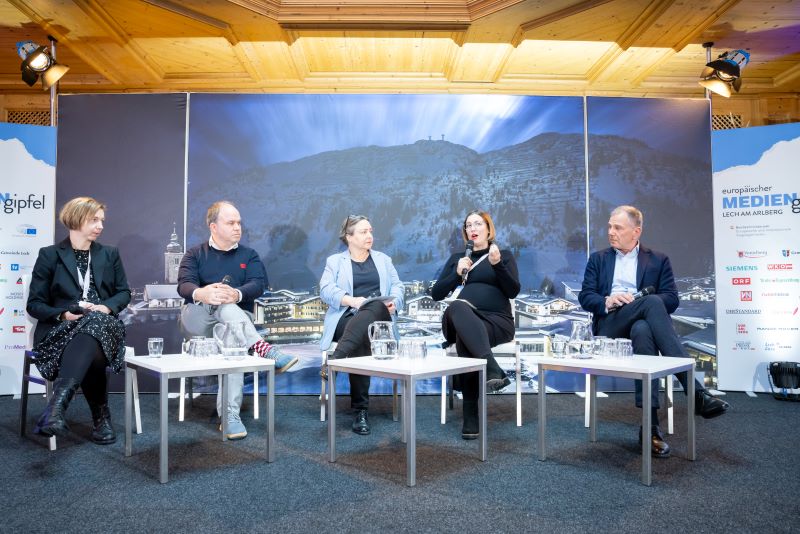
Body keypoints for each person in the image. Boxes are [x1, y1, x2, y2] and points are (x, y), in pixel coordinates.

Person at [578, 205, 729, 458]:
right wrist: (608, 300)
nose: (611, 232)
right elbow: (586, 297)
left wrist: (643, 302)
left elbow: (671, 299)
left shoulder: (658, 259)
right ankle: (696, 393)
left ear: (636, 231)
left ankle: (650, 428)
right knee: (651, 302)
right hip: (610, 325)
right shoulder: (598, 259)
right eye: (609, 227)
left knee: (644, 328)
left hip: (640, 324)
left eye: (618, 227)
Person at [178, 200, 298, 440]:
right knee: (221, 300)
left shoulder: (249, 255)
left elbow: (258, 284)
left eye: (239, 223)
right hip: (198, 321)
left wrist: (236, 294)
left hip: (234, 324)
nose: (237, 227)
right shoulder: (194, 254)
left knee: (233, 340)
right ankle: (263, 348)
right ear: (213, 227)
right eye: (230, 222)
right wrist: (205, 293)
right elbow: (184, 285)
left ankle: (230, 417)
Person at [27, 197, 131, 444]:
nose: (100, 226)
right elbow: (35, 304)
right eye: (94, 220)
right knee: (90, 338)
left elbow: (123, 292)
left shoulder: (109, 254)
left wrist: (106, 307)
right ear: (76, 219)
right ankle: (100, 417)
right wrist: (63, 314)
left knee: (95, 323)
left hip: (104, 326)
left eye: (102, 221)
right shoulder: (50, 255)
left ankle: (55, 409)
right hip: (60, 329)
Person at [431, 210, 520, 440]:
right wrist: (457, 273)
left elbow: (512, 290)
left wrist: (498, 265)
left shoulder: (503, 255)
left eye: (478, 224)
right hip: (460, 317)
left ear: (489, 229)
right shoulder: (458, 258)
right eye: (468, 225)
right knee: (458, 306)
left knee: (466, 339)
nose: (473, 228)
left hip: (496, 322)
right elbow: (437, 294)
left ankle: (470, 415)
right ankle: (491, 365)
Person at [319, 215, 404, 435]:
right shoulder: (335, 262)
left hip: (380, 319)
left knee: (375, 309)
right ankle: (361, 410)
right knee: (365, 330)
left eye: (371, 231)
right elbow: (326, 289)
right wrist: (351, 300)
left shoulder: (384, 260)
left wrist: (395, 302)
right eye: (364, 232)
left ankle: (336, 360)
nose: (370, 236)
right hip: (345, 318)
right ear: (349, 237)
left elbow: (398, 286)